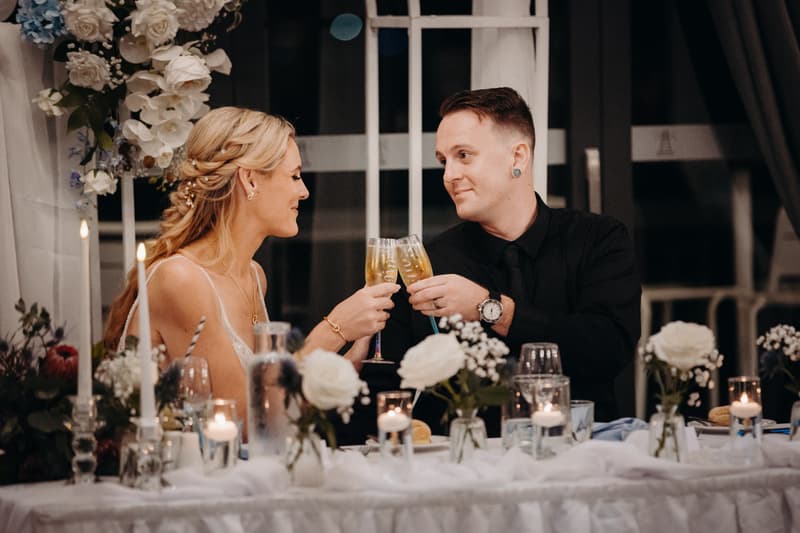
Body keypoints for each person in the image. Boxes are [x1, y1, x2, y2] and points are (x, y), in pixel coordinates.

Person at [103, 107, 400, 431]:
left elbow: (273, 408)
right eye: (295, 176)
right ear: (249, 180)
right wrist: (333, 330)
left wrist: (343, 364)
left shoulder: (254, 276)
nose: (304, 191)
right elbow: (243, 419)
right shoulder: (181, 278)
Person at [380, 87, 641, 434]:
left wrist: (490, 309)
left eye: (464, 155)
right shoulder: (429, 264)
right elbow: (396, 384)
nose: (448, 176)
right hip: (471, 465)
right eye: (444, 160)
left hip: (588, 453)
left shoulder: (597, 239)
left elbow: (609, 349)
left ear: (518, 157)